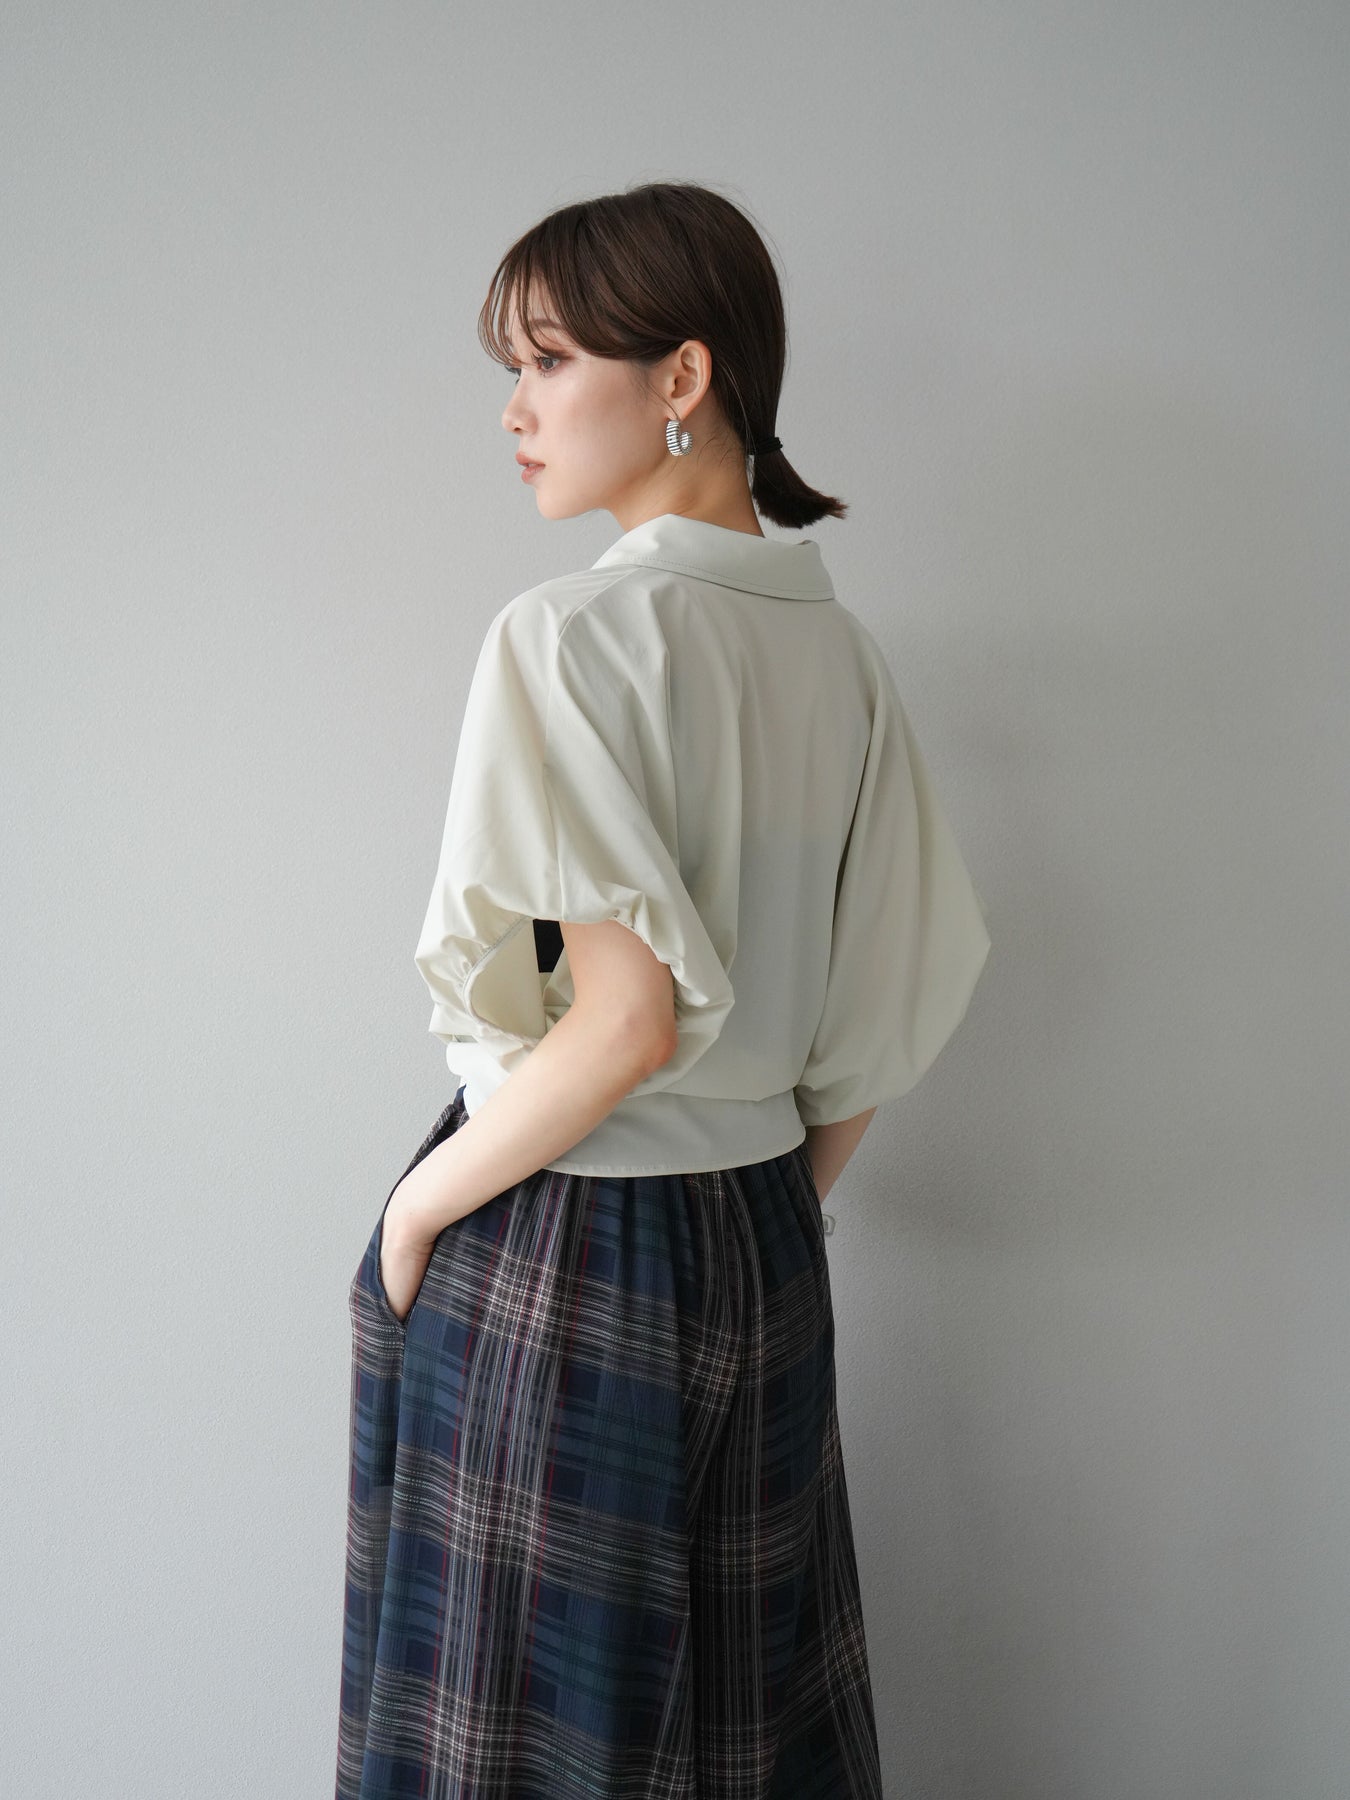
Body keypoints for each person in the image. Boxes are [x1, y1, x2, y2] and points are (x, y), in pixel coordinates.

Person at [334, 180, 991, 1800]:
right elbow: (874, 1032)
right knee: (743, 1737)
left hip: (563, 1241)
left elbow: (621, 1026)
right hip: (760, 1241)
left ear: (682, 375)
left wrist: (415, 1216)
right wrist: (753, 1194)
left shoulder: (568, 638)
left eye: (549, 361)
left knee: (516, 1737)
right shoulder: (841, 658)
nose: (515, 410)